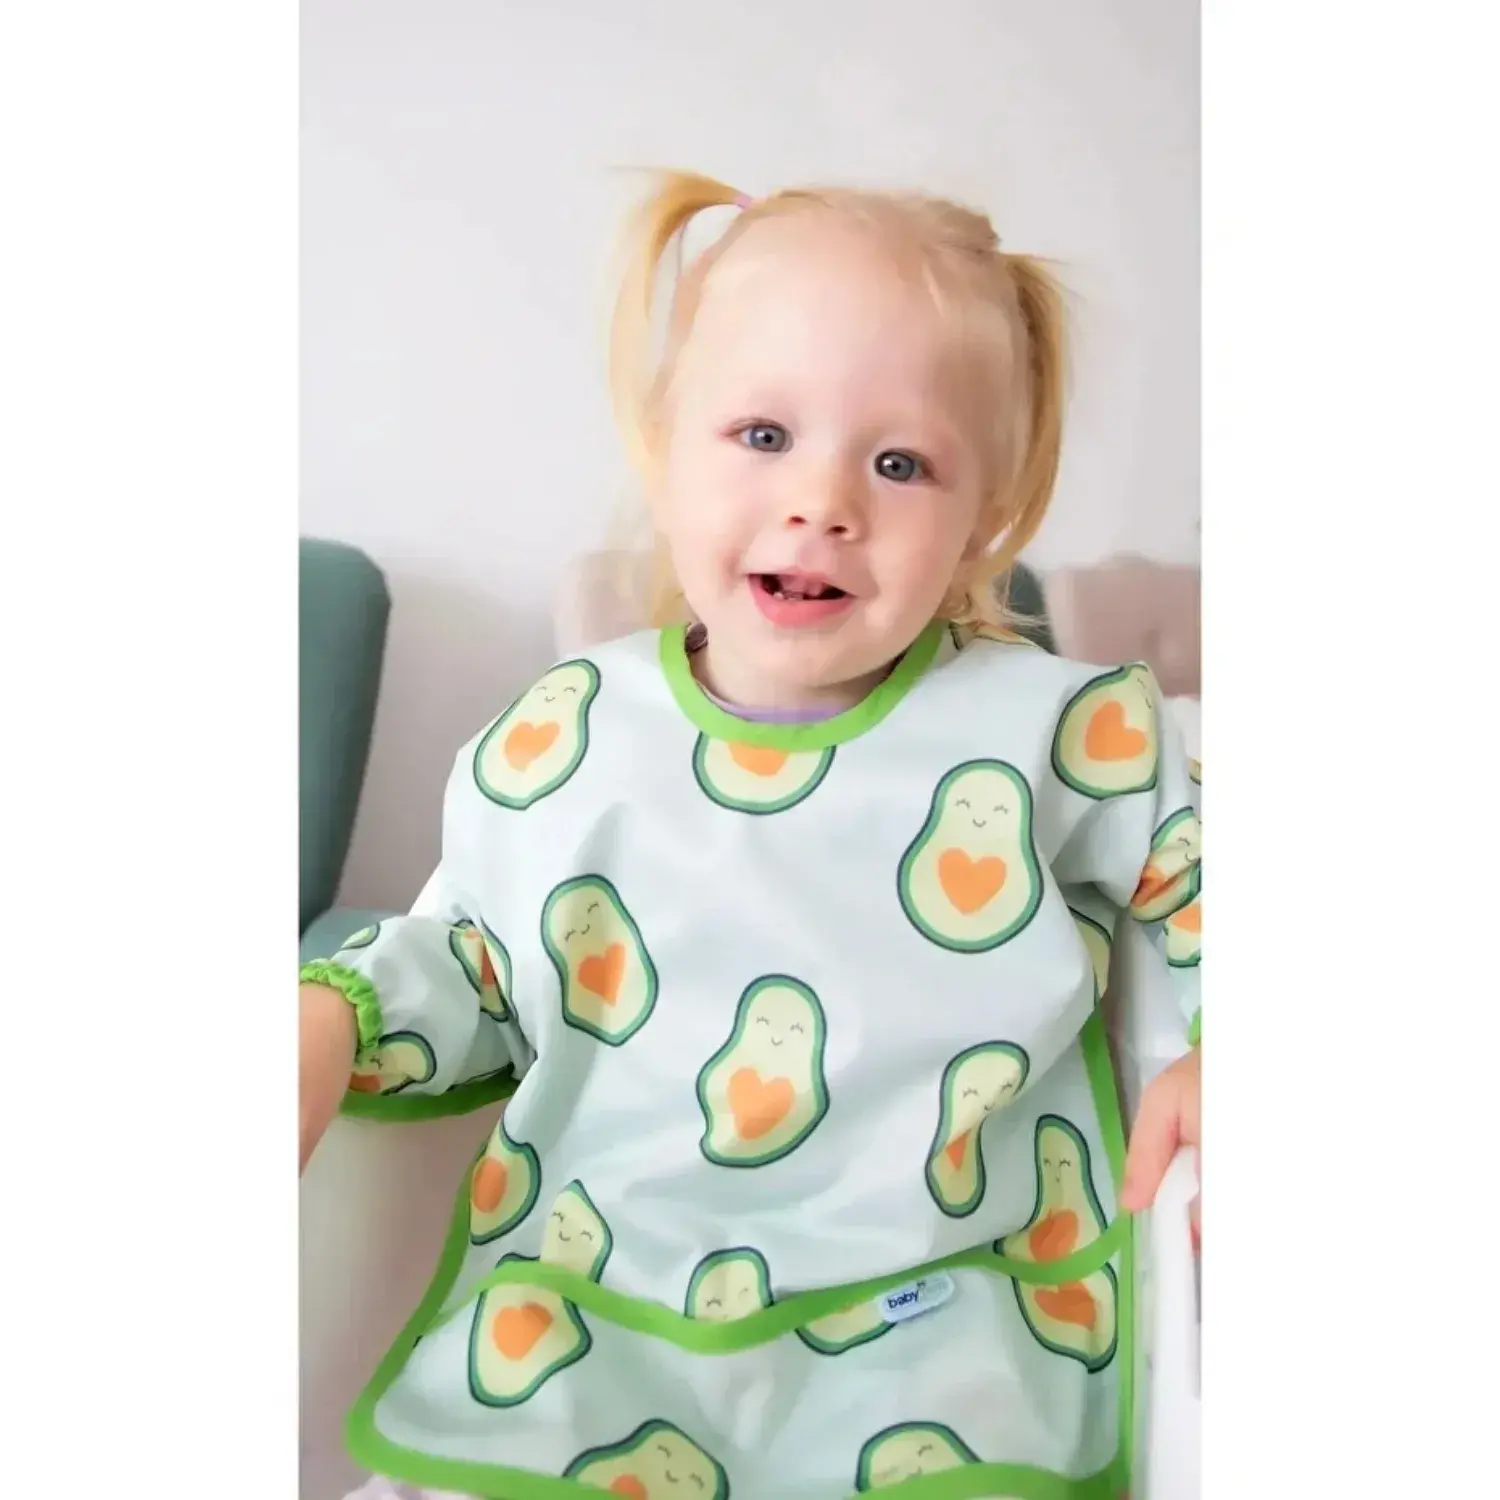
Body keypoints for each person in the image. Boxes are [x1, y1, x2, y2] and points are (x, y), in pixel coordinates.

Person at [300, 169, 1202, 1500]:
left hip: (942, 1322)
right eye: (764, 434)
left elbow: (1202, 874)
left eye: (900, 463)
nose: (824, 500)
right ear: (663, 447)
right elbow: (488, 971)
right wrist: (335, 1014)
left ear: (986, 519)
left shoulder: (1061, 734)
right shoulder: (568, 737)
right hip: (602, 1311)